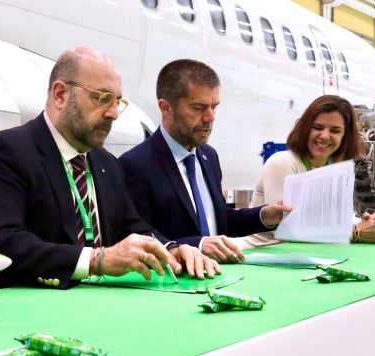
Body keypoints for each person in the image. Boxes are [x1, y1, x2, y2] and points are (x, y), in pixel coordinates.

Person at [0, 47, 219, 291]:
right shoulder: (5, 151)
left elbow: (132, 227)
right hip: (26, 311)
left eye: (117, 101)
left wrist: (171, 250)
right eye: (103, 98)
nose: (114, 113)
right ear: (60, 94)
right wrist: (96, 260)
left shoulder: (106, 163)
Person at [119, 59, 290, 263]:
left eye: (214, 107)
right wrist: (198, 245)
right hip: (176, 279)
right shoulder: (135, 164)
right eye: (198, 108)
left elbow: (220, 219)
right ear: (166, 108)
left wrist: (263, 216)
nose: (210, 117)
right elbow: (138, 237)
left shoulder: (208, 156)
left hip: (219, 274)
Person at [241, 94, 375, 248]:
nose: (324, 136)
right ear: (305, 129)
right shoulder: (282, 162)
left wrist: (374, 224)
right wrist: (355, 232)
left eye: (335, 130)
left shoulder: (335, 167)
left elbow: (338, 220)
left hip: (312, 253)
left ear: (345, 136)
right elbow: (286, 227)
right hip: (264, 252)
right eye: (317, 127)